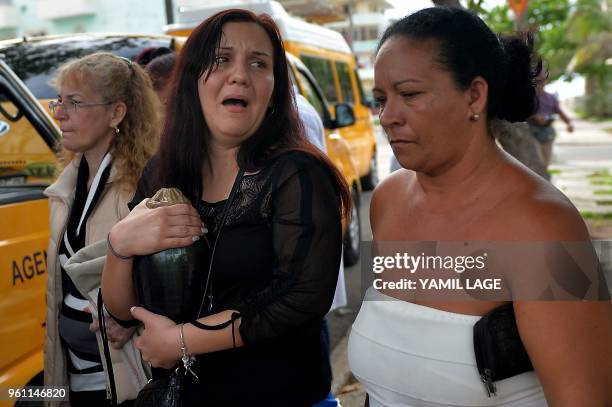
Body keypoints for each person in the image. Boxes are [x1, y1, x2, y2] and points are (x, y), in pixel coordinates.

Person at [348, 7, 611, 407]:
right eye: (381, 99)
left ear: (474, 94)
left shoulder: (545, 227)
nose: (388, 117)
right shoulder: (387, 201)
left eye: (411, 94)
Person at [101, 9, 350, 406]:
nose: (240, 74)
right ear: (191, 82)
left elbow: (302, 296)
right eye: (221, 59)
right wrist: (119, 243)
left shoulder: (297, 174)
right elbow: (125, 311)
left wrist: (181, 341)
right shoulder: (162, 171)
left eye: (259, 63)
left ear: (273, 89)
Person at [44, 53, 159, 405]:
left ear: (116, 113)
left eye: (74, 103)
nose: (59, 113)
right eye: (59, 101)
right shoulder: (67, 185)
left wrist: (130, 317)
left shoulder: (143, 187)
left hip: (125, 382)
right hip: (74, 377)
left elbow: (175, 278)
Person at [528, 70, 574, 169]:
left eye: (543, 80)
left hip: (546, 130)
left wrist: (569, 123)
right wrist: (534, 117)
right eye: (538, 80)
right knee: (532, 159)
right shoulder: (527, 97)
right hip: (530, 130)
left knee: (545, 161)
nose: (540, 82)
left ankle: (544, 177)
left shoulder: (551, 97)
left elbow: (560, 112)